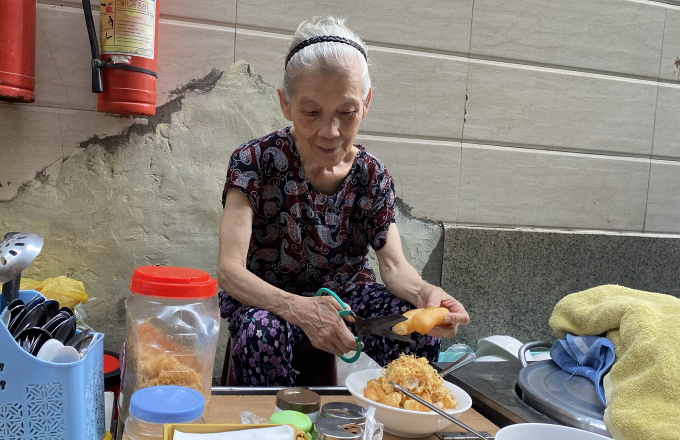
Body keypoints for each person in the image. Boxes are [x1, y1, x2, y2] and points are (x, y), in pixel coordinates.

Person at [217, 16, 469, 386]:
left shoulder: (372, 175)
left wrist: (428, 294)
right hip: (271, 303)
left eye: (346, 112)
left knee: (416, 331)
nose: (329, 131)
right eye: (311, 112)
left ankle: (392, 417)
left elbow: (395, 266)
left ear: (365, 103)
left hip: (349, 302)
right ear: (285, 104)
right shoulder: (254, 161)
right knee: (262, 332)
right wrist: (298, 307)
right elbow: (229, 270)